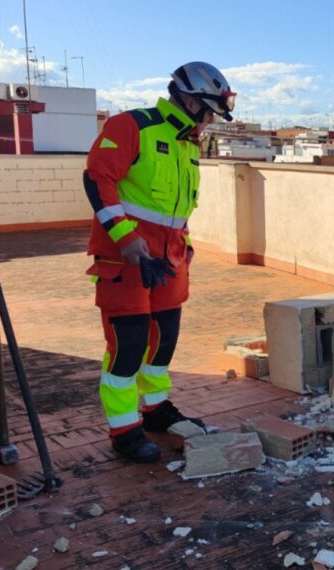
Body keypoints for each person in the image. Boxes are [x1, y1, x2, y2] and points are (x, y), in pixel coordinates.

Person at [81, 62, 235, 463]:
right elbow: (97, 178)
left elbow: (171, 208)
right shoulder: (133, 126)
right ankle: (123, 429)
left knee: (163, 339)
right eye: (207, 112)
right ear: (187, 99)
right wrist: (125, 239)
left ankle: (155, 409)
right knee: (127, 346)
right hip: (127, 257)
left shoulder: (187, 142)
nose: (209, 122)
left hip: (169, 261)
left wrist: (184, 244)